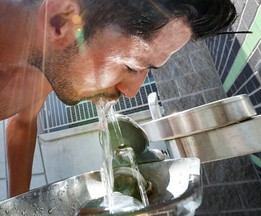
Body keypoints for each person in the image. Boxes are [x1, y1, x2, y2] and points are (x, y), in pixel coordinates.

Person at [0, 0, 236, 197]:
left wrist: (19, 204)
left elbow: (23, 124)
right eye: (132, 66)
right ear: (60, 20)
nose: (130, 91)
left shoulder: (44, 67)